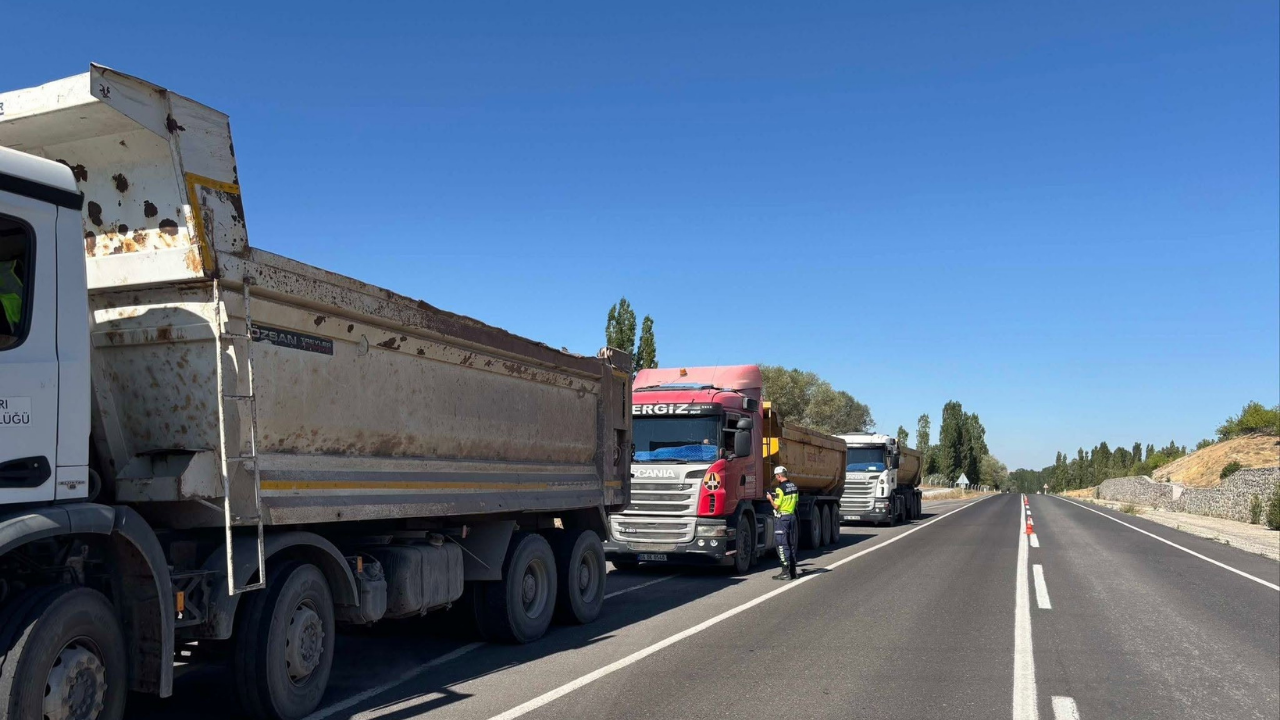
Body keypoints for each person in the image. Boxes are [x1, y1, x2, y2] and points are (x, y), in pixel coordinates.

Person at [767, 466, 799, 580]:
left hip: (783, 518)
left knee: (781, 544)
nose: (776, 478)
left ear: (779, 476)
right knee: (790, 543)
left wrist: (770, 498)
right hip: (792, 516)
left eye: (776, 476)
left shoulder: (780, 489)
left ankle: (786, 571)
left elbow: (776, 506)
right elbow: (796, 503)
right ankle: (793, 571)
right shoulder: (794, 486)